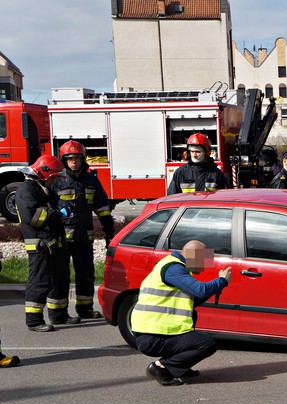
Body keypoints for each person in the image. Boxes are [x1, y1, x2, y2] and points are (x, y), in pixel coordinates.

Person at [131, 240, 232, 386]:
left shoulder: (176, 267)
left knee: (193, 315)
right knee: (207, 344)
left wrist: (215, 288)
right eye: (203, 261)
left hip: (156, 331)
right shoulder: (173, 269)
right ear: (194, 256)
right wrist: (222, 280)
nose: (204, 267)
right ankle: (161, 367)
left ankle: (179, 367)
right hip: (151, 336)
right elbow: (201, 289)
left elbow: (193, 300)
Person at [51, 140, 116, 320]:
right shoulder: (57, 181)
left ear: (83, 159)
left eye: (77, 158)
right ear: (64, 160)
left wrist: (109, 231)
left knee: (86, 274)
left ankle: (85, 308)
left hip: (84, 238)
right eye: (70, 159)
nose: (74, 162)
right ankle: (58, 313)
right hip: (62, 239)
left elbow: (102, 208)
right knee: (60, 276)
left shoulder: (91, 181)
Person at [16, 154, 73, 332]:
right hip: (39, 245)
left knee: (60, 279)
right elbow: (35, 217)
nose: (55, 181)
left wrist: (64, 210)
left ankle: (58, 315)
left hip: (52, 243)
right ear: (43, 174)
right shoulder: (26, 190)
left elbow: (52, 209)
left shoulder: (42, 189)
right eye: (54, 177)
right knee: (39, 281)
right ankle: (34, 320)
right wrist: (58, 214)